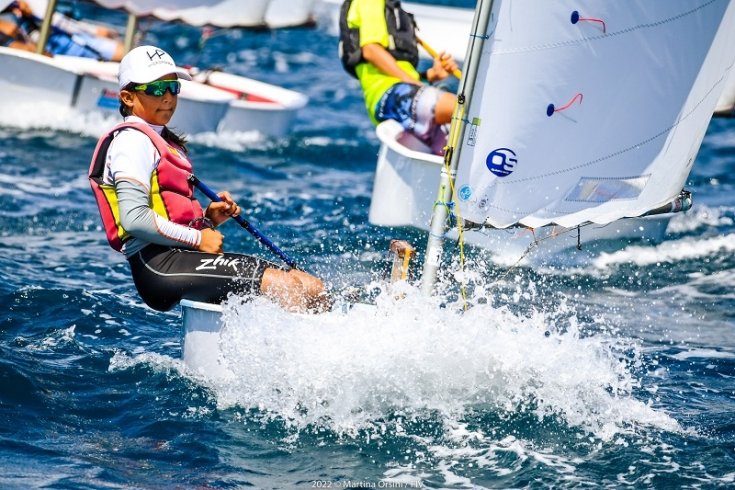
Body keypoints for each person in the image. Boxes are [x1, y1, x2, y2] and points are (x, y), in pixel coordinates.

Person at [88, 45, 331, 313]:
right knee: (283, 287)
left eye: (173, 87)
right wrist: (198, 238)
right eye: (157, 89)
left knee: (310, 286)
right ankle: (296, 354)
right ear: (127, 97)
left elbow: (169, 212)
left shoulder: (162, 140)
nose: (168, 97)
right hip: (158, 266)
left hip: (183, 257)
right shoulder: (132, 141)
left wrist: (207, 220)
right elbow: (135, 219)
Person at [339, 0, 459, 155]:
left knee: (462, 140)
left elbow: (402, 73)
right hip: (389, 95)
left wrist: (431, 75)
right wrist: (417, 85)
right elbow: (371, 50)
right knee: (465, 111)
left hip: (401, 93)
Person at [0, 0, 123, 61]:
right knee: (121, 52)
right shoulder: (13, 11)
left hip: (68, 40)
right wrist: (94, 31)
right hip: (58, 45)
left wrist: (94, 31)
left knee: (122, 53)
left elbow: (60, 22)